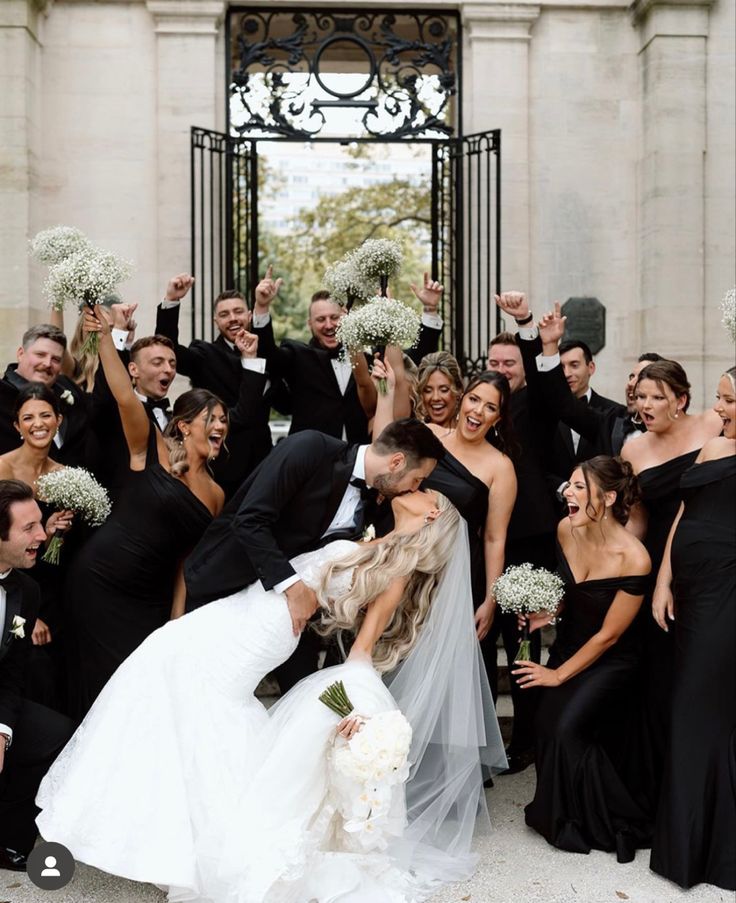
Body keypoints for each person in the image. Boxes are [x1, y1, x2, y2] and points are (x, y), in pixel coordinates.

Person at [36, 488, 506, 902]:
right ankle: (152, 833)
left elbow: (363, 651)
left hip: (257, 636)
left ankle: (179, 846)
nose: (417, 487)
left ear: (429, 518)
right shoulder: (375, 543)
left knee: (194, 707)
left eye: (427, 493)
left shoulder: (397, 572)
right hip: (236, 616)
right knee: (164, 691)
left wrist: (360, 709)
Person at [184, 416, 445, 691]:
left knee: (301, 695)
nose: (415, 489)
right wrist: (293, 588)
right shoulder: (309, 449)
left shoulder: (376, 500)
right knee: (206, 692)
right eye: (417, 479)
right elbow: (249, 521)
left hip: (289, 619)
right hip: (225, 586)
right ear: (397, 462)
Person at [65, 310, 229, 720]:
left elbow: (186, 562)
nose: (220, 427)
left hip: (149, 599)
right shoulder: (150, 452)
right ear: (185, 426)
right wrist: (106, 337)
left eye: (224, 421)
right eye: (211, 419)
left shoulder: (216, 494)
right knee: (104, 691)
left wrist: (177, 618)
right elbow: (124, 396)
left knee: (141, 691)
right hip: (100, 579)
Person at [515, 456, 652, 862]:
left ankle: (608, 816)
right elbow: (570, 591)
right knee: (545, 723)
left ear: (608, 498)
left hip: (613, 661)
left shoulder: (634, 557)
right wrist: (550, 613)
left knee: (565, 728)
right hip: (569, 646)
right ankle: (563, 812)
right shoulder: (565, 528)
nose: (567, 494)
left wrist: (557, 676)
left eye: (579, 487)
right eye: (568, 485)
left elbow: (609, 636)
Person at [619, 357, 723, 814]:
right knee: (661, 677)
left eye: (656, 397)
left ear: (680, 400)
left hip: (711, 563)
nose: (645, 405)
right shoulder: (634, 450)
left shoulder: (714, 423)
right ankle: (666, 791)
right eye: (641, 396)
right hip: (657, 563)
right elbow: (638, 520)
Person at [371, 355, 517, 672]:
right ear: (462, 399)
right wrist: (386, 392)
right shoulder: (430, 435)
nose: (478, 411)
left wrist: (490, 600)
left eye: (490, 407)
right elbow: (381, 454)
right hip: (409, 566)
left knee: (454, 667)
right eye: (475, 399)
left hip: (459, 575)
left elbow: (494, 538)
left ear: (498, 418)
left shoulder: (500, 467)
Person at [649, 366, 736, 891]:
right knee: (688, 707)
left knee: (701, 711)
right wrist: (665, 581)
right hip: (692, 595)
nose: (719, 408)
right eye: (720, 397)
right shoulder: (713, 447)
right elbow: (685, 512)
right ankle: (687, 842)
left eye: (729, 400)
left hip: (729, 597)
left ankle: (708, 850)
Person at [484, 318, 559, 772]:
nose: (502, 368)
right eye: (494, 362)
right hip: (486, 546)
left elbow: (545, 383)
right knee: (480, 645)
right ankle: (482, 745)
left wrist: (529, 332)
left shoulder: (537, 404)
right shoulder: (477, 408)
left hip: (529, 544)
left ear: (523, 368)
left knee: (523, 646)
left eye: (509, 363)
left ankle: (525, 740)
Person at [252, 269, 445, 443]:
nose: (328, 325)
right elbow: (268, 356)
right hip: (312, 463)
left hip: (360, 459)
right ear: (309, 323)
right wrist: (261, 307)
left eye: (334, 318)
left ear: (345, 317)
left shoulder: (371, 358)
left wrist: (430, 311)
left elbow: (415, 359)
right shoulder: (297, 356)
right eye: (320, 319)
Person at [0, 480, 73, 872]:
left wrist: (2, 730)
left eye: (40, 524)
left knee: (56, 733)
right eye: (28, 528)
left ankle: (8, 837)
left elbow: (12, 673)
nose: (42, 536)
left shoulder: (26, 589)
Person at [154, 274, 274, 497]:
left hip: (264, 464)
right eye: (224, 314)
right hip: (223, 466)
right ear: (215, 321)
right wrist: (171, 300)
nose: (232, 318)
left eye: (238, 312)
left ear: (249, 315)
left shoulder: (268, 355)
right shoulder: (205, 355)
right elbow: (167, 348)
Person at [0, 386, 75, 710]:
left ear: (58, 420)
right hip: (10, 589)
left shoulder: (67, 476)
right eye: (28, 417)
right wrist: (29, 616)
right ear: (17, 426)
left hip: (51, 586)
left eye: (46, 415)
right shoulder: (1, 469)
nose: (38, 423)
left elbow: (56, 555)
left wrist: (55, 533)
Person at [0, 325, 88, 467]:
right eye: (40, 355)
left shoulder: (68, 388)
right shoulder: (2, 394)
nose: (47, 364)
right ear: (21, 353)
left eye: (56, 359)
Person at [415, 350, 464, 429]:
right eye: (428, 390)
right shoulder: (412, 436)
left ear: (458, 391)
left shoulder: (471, 434)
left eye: (444, 390)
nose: (435, 398)